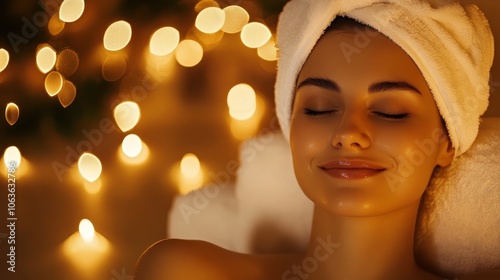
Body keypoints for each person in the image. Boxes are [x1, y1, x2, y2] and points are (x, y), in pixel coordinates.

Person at [134, 1, 499, 279]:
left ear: (447, 142)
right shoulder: (184, 270)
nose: (347, 133)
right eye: (320, 108)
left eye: (390, 111)